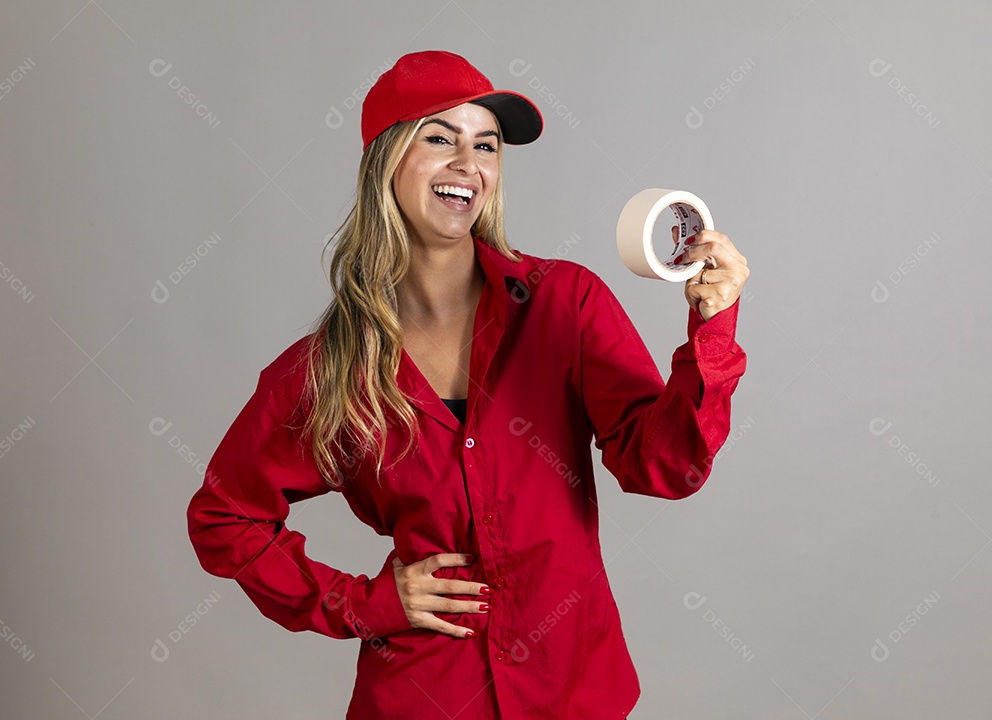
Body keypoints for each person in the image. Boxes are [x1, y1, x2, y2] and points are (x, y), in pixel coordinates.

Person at [186, 50, 748, 719]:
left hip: (571, 693)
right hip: (426, 695)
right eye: (440, 138)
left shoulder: (562, 303)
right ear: (387, 160)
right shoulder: (328, 369)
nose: (468, 163)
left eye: (486, 145)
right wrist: (365, 602)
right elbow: (225, 518)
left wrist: (711, 331)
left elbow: (665, 466)